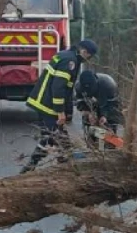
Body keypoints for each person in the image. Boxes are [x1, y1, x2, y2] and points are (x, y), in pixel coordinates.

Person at [21, 39, 98, 172]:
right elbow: (59, 88)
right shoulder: (70, 62)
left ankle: (62, 166)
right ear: (84, 52)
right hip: (48, 105)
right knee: (57, 136)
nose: (88, 59)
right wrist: (60, 111)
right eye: (88, 56)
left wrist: (68, 112)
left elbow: (67, 89)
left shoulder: (67, 55)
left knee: (53, 137)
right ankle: (32, 168)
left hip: (43, 102)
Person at [75, 71, 124, 149]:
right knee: (89, 124)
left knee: (110, 124)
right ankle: (92, 145)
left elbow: (113, 105)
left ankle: (111, 146)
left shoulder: (109, 85)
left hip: (109, 104)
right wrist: (88, 112)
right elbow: (80, 102)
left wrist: (105, 115)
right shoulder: (79, 87)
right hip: (91, 106)